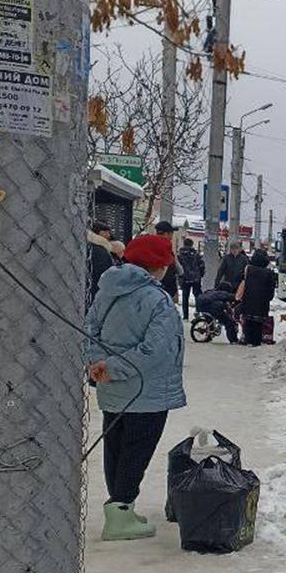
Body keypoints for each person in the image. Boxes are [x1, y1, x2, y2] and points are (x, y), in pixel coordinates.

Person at [85, 234, 186, 541]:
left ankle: (120, 509)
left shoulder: (106, 291)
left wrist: (99, 364)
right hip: (147, 392)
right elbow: (155, 351)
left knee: (115, 449)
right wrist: (113, 368)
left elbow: (89, 331)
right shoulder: (158, 301)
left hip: (111, 389)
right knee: (136, 453)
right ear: (160, 267)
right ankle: (121, 515)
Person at [235, 248, 277, 347]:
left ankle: (247, 339)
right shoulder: (269, 273)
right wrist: (268, 298)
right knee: (258, 324)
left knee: (248, 321)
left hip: (248, 301)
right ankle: (256, 342)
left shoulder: (248, 269)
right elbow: (271, 290)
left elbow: (238, 279)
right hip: (262, 303)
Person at [176, 238, 206, 320]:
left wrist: (180, 276)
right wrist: (201, 274)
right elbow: (201, 265)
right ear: (192, 244)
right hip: (196, 278)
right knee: (197, 295)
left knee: (185, 297)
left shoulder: (180, 255)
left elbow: (178, 266)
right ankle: (198, 312)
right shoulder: (196, 254)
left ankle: (185, 316)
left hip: (185, 278)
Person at [85, 221, 113, 308]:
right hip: (97, 289)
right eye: (105, 232)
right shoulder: (101, 251)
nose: (108, 235)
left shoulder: (87, 246)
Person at [155, 221, 182, 301]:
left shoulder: (150, 244)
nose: (171, 237)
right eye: (171, 234)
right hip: (165, 288)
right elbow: (178, 269)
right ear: (166, 234)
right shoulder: (165, 247)